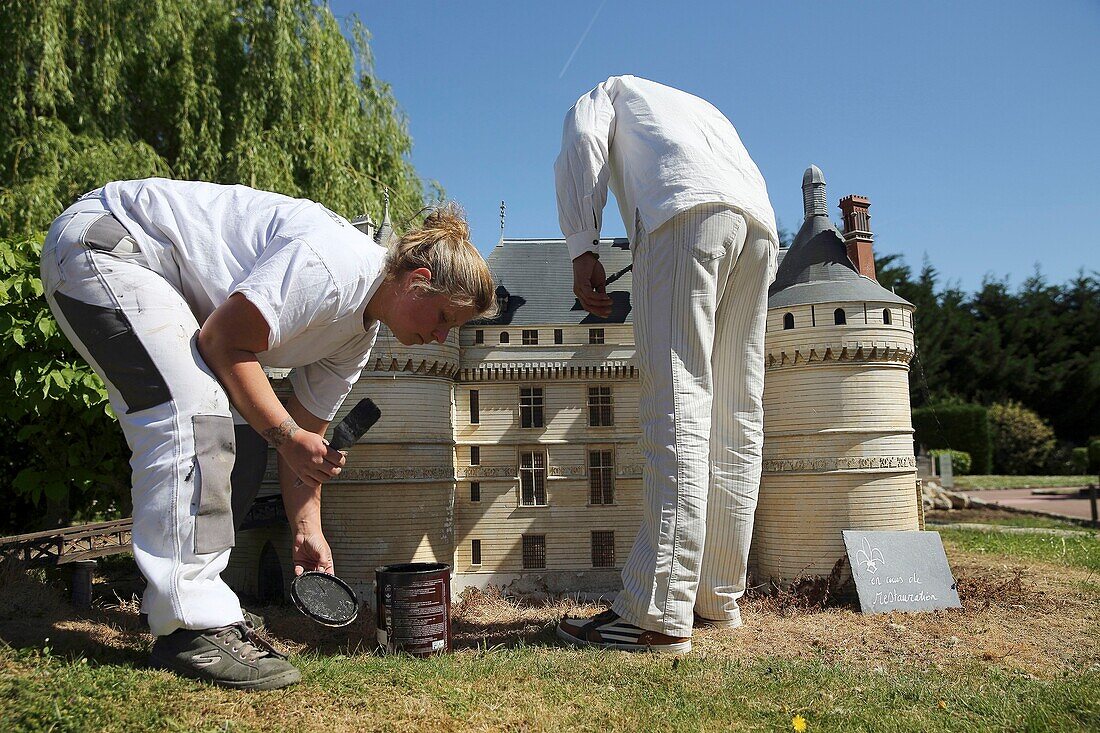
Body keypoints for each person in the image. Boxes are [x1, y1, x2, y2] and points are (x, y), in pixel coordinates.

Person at [40, 179, 496, 688]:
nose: (438, 338)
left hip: (157, 280)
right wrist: (286, 434)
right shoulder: (334, 266)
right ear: (417, 279)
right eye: (442, 319)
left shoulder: (357, 335)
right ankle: (190, 625)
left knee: (243, 442)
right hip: (107, 247)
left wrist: (308, 531)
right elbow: (223, 340)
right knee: (194, 414)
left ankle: (201, 603)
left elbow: (307, 440)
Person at [554, 76, 779, 654]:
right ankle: (716, 598)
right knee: (736, 411)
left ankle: (657, 614)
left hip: (682, 212)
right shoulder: (703, 108)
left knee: (678, 401)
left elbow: (583, 140)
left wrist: (583, 244)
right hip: (758, 224)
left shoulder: (612, 90)